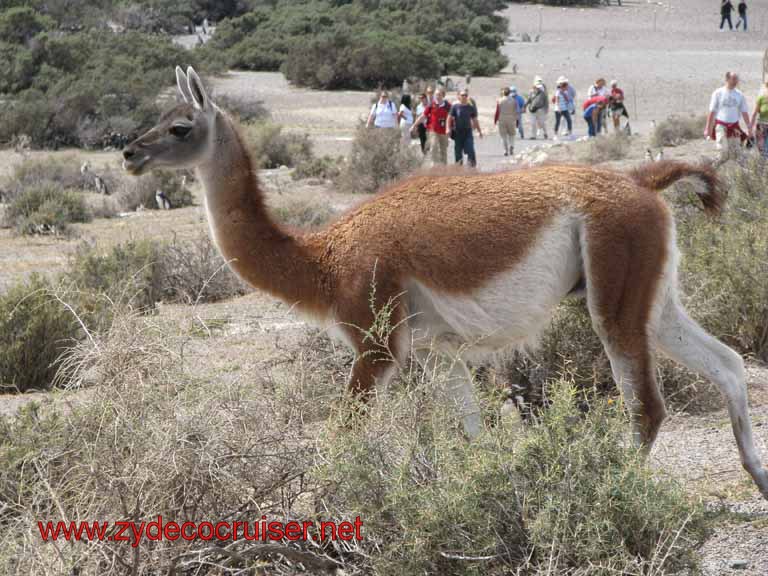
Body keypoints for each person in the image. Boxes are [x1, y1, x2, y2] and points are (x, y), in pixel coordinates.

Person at [705, 71, 751, 161]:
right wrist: (708, 129)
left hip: (734, 127)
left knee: (736, 153)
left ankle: (739, 172)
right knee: (723, 151)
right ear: (727, 79)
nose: (735, 81)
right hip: (721, 126)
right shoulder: (718, 93)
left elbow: (744, 112)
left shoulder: (739, 95)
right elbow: (712, 112)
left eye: (736, 79)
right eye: (733, 79)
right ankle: (711, 170)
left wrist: (749, 127)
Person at [413, 88, 451, 164]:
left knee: (443, 149)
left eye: (439, 94)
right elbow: (423, 116)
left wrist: (450, 128)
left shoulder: (448, 105)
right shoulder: (431, 105)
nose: (437, 96)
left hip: (444, 131)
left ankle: (444, 167)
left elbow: (452, 117)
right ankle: (434, 165)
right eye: (436, 94)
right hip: (433, 130)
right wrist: (414, 125)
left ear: (443, 95)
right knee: (433, 147)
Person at [447, 89, 483, 167]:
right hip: (457, 132)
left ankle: (472, 168)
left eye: (465, 95)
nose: (464, 97)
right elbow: (449, 118)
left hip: (468, 132)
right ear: (459, 97)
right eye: (462, 95)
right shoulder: (455, 107)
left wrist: (479, 131)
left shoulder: (470, 107)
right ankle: (458, 169)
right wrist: (448, 128)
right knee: (458, 152)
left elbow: (475, 120)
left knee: (470, 149)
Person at [494, 87, 519, 155]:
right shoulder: (514, 101)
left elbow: (497, 111)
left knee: (503, 136)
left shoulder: (499, 100)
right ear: (510, 93)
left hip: (502, 119)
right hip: (511, 118)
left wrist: (495, 120)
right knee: (512, 134)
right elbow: (516, 111)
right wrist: (517, 121)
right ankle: (511, 146)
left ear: (503, 93)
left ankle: (505, 150)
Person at [750, 81, 768, 157]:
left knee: (764, 150)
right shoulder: (761, 97)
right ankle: (763, 166)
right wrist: (750, 127)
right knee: (762, 150)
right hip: (761, 125)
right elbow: (754, 113)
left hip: (762, 126)